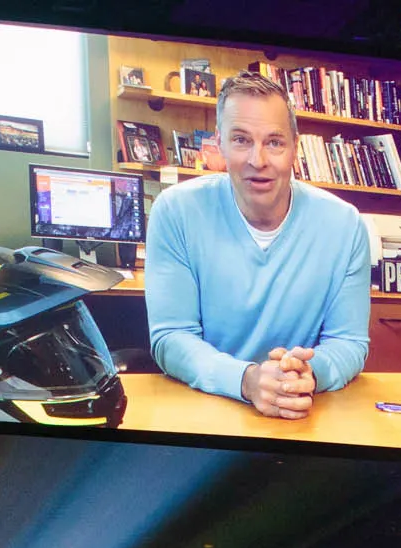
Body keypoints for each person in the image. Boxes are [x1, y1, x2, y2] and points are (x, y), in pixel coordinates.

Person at [145, 72, 371, 421]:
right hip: (203, 412)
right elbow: (171, 337)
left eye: (275, 142)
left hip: (303, 412)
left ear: (295, 147)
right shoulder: (175, 211)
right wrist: (247, 380)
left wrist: (307, 376)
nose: (258, 160)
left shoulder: (346, 225)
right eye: (241, 140)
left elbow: (349, 342)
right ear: (218, 144)